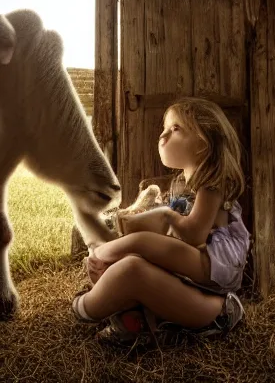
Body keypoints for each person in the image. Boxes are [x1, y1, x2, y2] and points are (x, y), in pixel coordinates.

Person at [70, 97, 250, 345]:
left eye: (176, 129)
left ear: (204, 142)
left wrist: (166, 215)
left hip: (212, 306)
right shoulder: (182, 184)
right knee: (132, 264)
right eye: (164, 128)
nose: (163, 136)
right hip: (189, 289)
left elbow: (194, 235)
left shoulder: (211, 184)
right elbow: (170, 245)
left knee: (138, 247)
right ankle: (138, 321)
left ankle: (84, 305)